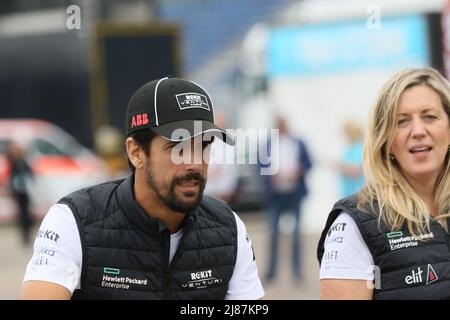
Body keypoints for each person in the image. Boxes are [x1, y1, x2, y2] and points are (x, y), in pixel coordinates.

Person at [21, 76, 265, 300]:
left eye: (203, 146)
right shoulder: (74, 220)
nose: (194, 162)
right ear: (136, 152)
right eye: (177, 147)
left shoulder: (229, 228)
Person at [317, 67, 450, 299]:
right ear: (386, 140)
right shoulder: (354, 225)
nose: (418, 130)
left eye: (429, 116)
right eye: (402, 121)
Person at [262, 117, 312, 283]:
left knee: (297, 235)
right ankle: (271, 273)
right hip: (275, 196)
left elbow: (309, 163)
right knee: (273, 234)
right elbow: (260, 165)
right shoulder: (268, 143)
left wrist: (299, 170)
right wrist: (272, 174)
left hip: (294, 194)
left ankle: (297, 273)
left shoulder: (298, 142)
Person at [203, 111, 238, 203]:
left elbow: (229, 170)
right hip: (205, 193)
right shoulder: (203, 142)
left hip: (221, 195)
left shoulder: (226, 144)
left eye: (221, 123)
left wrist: (227, 191)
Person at [7, 141, 34, 245]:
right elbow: (11, 178)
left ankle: (27, 236)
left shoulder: (23, 162)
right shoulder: (14, 162)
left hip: (25, 191)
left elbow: (30, 174)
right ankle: (24, 237)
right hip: (19, 192)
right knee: (22, 215)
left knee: (26, 214)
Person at [336, 119, 365, 197]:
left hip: (356, 193)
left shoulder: (359, 147)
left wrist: (338, 166)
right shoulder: (350, 147)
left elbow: (356, 170)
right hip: (347, 193)